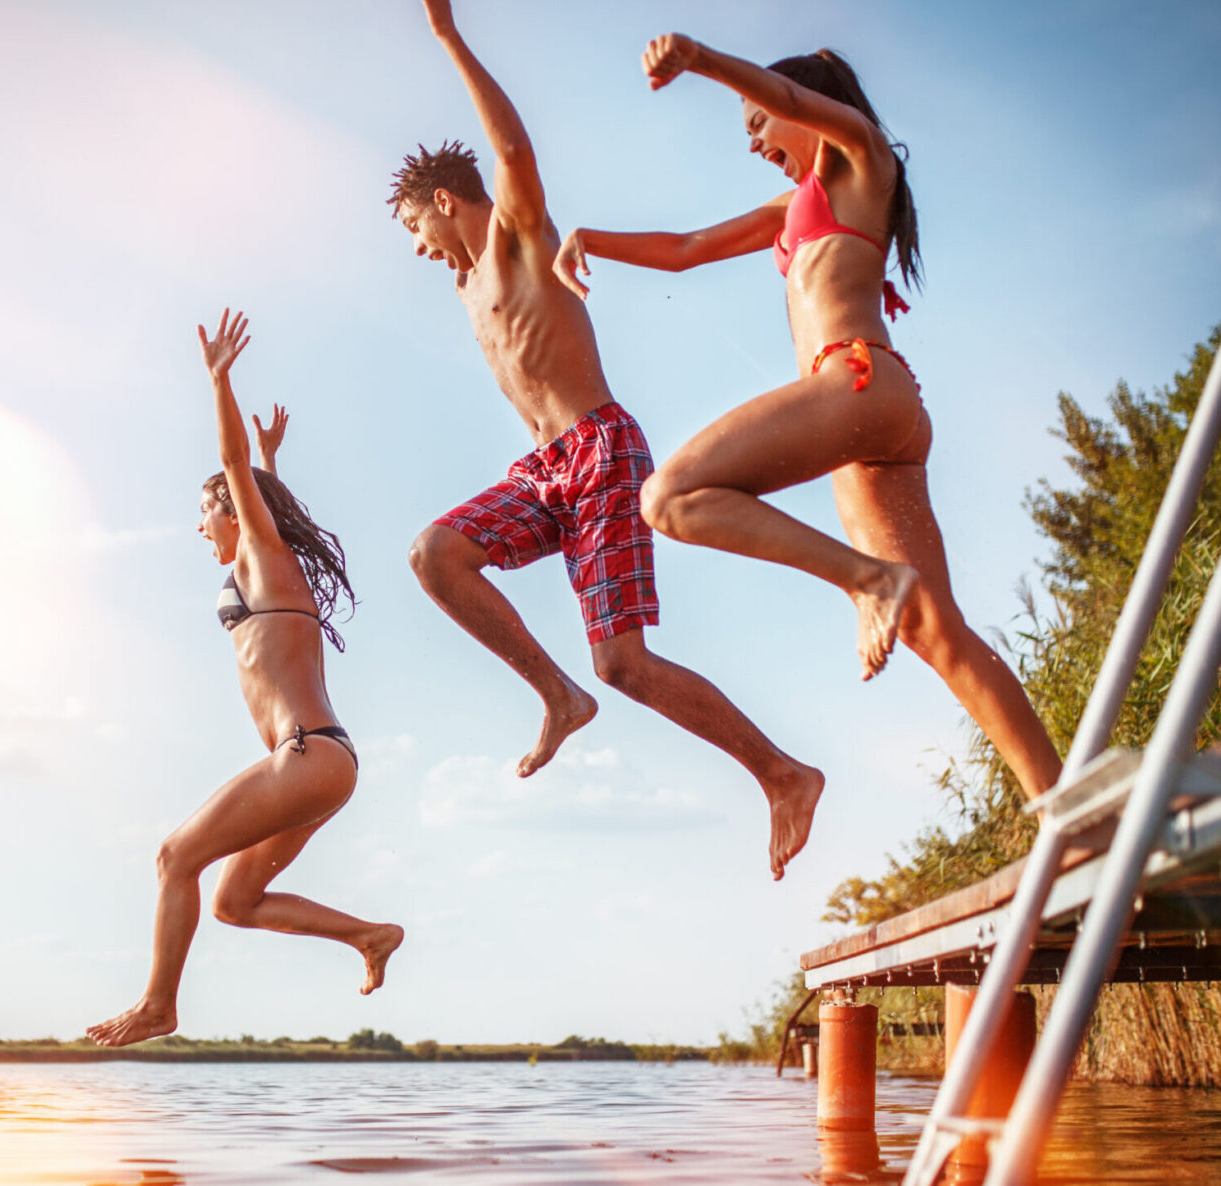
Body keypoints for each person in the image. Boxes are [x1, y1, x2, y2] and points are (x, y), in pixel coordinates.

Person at [551, 37, 1063, 798]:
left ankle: (865, 584)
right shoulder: (792, 209)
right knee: (932, 627)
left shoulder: (863, 158)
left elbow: (795, 103)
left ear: (810, 111)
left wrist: (701, 61)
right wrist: (591, 240)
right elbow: (688, 247)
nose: (755, 141)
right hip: (865, 422)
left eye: (756, 123)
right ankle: (1059, 800)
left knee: (670, 498)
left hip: (855, 381)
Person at [397, 0, 825, 880]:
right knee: (435, 554)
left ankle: (782, 773)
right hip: (544, 470)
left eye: (417, 228)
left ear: (446, 203)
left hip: (599, 449)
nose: (418, 250)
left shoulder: (517, 238)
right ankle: (557, 695)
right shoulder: (466, 286)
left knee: (624, 664)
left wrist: (448, 38)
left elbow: (512, 155)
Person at [87, 310, 403, 1048]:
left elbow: (233, 473)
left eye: (205, 512)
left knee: (174, 858)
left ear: (231, 510)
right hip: (325, 760)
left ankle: (160, 1005)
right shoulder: (262, 562)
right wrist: (269, 461)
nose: (200, 526)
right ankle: (369, 935)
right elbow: (253, 492)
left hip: (304, 758)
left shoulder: (259, 552)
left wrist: (221, 383)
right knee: (233, 900)